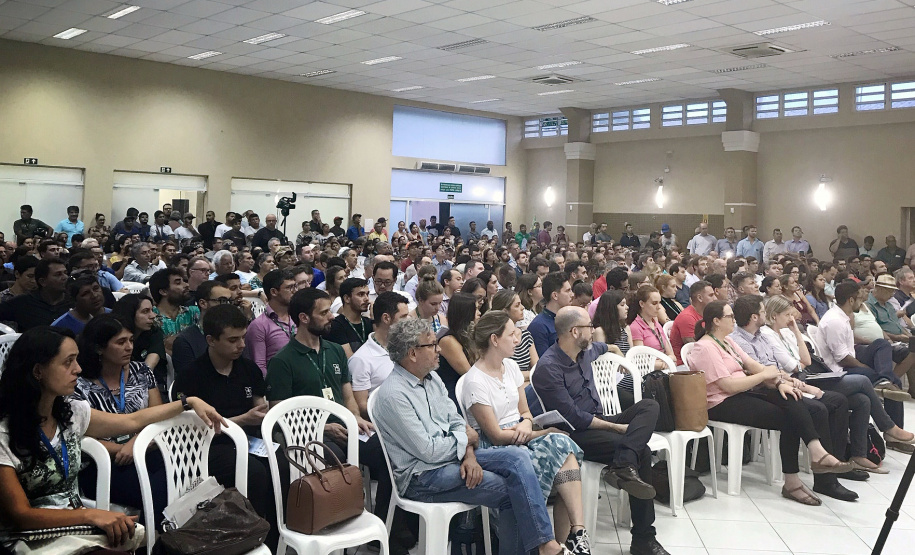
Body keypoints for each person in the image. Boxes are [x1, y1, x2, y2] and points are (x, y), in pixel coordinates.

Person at [0, 326, 224, 552]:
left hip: (73, 524)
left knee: (149, 538)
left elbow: (132, 421)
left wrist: (188, 402)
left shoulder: (70, 413)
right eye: (68, 362)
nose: (78, 369)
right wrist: (91, 515)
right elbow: (21, 515)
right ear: (38, 371)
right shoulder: (4, 433)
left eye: (77, 360)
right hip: (25, 538)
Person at [372, 318, 575, 555]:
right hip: (422, 477)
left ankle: (545, 544)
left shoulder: (431, 378)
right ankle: (543, 546)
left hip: (452, 458)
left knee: (518, 457)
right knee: (512, 489)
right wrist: (465, 443)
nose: (439, 350)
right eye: (432, 345)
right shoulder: (394, 396)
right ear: (413, 353)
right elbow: (429, 451)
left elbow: (457, 421)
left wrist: (469, 454)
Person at [687, 301, 853, 505]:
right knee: (789, 415)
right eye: (730, 316)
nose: (734, 320)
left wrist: (778, 382)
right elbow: (728, 386)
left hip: (743, 393)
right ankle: (797, 476)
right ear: (716, 321)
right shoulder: (705, 347)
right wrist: (765, 377)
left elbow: (753, 366)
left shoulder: (727, 342)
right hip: (721, 403)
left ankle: (813, 456)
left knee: (789, 398)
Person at [533, 306, 668, 555]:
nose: (594, 330)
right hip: (573, 434)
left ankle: (623, 462)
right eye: (589, 326)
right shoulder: (548, 368)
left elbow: (607, 348)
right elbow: (574, 418)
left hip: (599, 419)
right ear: (575, 332)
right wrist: (616, 427)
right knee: (643, 451)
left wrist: (620, 356)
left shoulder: (586, 350)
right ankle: (643, 539)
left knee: (649, 406)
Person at [460, 311, 591, 553]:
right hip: (497, 446)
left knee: (564, 450)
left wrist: (527, 424)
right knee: (559, 447)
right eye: (511, 334)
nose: (518, 340)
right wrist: (541, 432)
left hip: (521, 436)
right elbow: (496, 435)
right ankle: (551, 542)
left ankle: (575, 533)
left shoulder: (510, 367)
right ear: (494, 340)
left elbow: (526, 412)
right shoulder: (475, 381)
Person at [264, 288, 392, 534]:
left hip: (343, 427)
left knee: (388, 451)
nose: (331, 316)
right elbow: (279, 414)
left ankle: (387, 526)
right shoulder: (283, 360)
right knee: (332, 456)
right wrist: (322, 427)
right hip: (308, 435)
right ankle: (333, 526)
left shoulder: (334, 350)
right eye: (324, 313)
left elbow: (347, 394)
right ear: (303, 318)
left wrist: (354, 417)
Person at [761, 294, 915, 475]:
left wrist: (795, 332)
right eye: (787, 315)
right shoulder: (767, 334)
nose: (791, 318)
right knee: (863, 380)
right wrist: (800, 362)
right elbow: (794, 365)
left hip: (809, 374)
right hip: (797, 380)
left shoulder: (787, 332)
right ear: (773, 316)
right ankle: (888, 427)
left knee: (862, 400)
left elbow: (805, 360)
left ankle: (858, 455)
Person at [728, 296, 858, 500]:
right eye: (763, 311)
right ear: (755, 316)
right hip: (763, 389)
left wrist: (793, 381)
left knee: (839, 401)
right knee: (817, 409)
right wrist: (786, 382)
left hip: (781, 381)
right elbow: (757, 375)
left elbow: (782, 367)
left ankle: (836, 461)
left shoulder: (761, 335)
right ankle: (826, 479)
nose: (765, 315)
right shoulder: (738, 341)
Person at [171, 304, 278, 550]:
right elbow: (194, 428)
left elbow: (259, 407)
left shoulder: (248, 369)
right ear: (211, 340)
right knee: (255, 472)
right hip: (210, 445)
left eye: (243, 337)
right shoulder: (192, 375)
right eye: (232, 340)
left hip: (250, 439)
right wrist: (242, 419)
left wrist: (263, 415)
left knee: (281, 462)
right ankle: (253, 537)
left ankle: (275, 535)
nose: (241, 345)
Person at [72, 315, 169, 526]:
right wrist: (123, 449)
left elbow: (156, 416)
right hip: (102, 461)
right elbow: (80, 436)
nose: (129, 347)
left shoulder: (141, 371)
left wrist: (136, 444)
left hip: (145, 448)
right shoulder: (78, 384)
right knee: (157, 489)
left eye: (131, 340)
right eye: (120, 342)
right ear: (99, 348)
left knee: (181, 475)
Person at [818, 280, 911, 442]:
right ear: (851, 300)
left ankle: (884, 380)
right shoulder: (835, 321)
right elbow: (843, 359)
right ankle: (891, 429)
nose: (862, 303)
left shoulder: (844, 316)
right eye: (859, 300)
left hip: (851, 355)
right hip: (838, 370)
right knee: (888, 380)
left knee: (882, 345)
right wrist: (865, 367)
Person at [349, 291, 410, 419]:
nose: (408, 321)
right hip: (387, 421)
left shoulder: (408, 347)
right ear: (386, 318)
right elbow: (362, 406)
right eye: (403, 317)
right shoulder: (361, 359)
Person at [171, 280, 234, 378]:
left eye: (230, 301)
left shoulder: (236, 336)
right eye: (222, 301)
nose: (227, 306)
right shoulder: (185, 341)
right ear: (203, 303)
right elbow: (188, 381)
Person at [0, 258, 71, 332]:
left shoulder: (74, 301)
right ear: (42, 281)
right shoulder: (22, 302)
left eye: (66, 273)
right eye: (58, 274)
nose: (65, 277)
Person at [436, 292, 479, 403]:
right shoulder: (448, 341)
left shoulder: (469, 334)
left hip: (471, 389)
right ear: (466, 312)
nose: (479, 313)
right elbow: (467, 373)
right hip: (455, 394)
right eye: (476, 309)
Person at [491, 289, 539, 378]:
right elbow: (502, 373)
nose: (522, 307)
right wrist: (530, 375)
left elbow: (537, 368)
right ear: (505, 311)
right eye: (517, 305)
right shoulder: (496, 339)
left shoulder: (525, 335)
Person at [670, 281, 715, 365]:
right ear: (700, 298)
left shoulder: (708, 314)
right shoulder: (686, 317)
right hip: (685, 364)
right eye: (711, 295)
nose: (715, 298)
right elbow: (695, 349)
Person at [529, 272, 574, 356]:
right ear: (555, 295)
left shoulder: (571, 319)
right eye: (568, 291)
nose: (572, 294)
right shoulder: (539, 326)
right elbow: (544, 363)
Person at [327, 278, 374, 358]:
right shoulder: (336, 326)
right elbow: (350, 361)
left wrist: (374, 318)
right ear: (347, 298)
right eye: (361, 294)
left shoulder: (369, 323)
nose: (367, 299)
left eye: (367, 294)